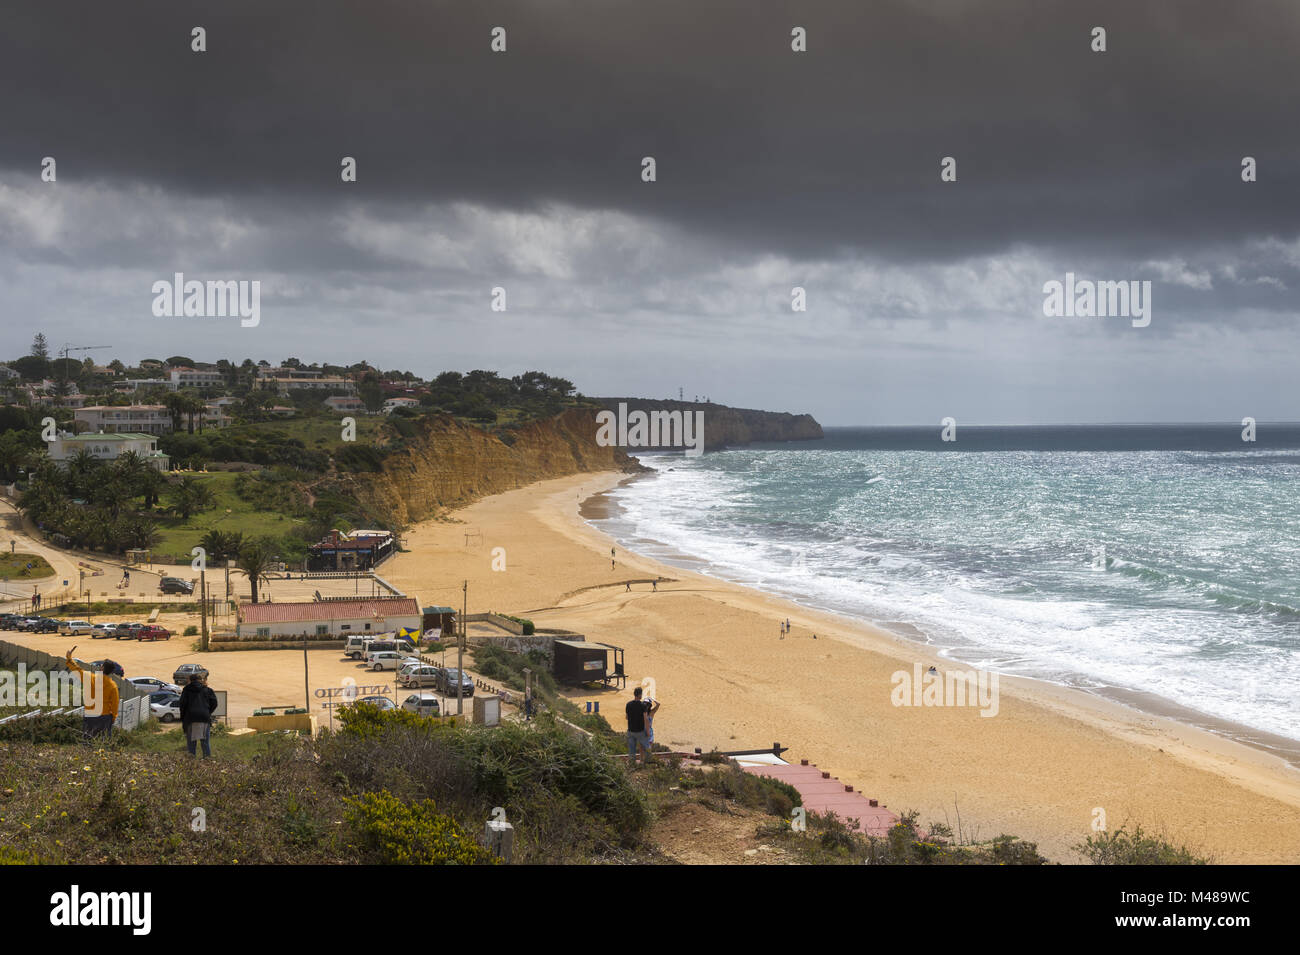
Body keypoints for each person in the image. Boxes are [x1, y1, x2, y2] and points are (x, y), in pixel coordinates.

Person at [65, 648, 118, 740]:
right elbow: (115, 705)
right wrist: (112, 718)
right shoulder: (113, 686)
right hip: (105, 717)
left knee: (88, 742)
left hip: (90, 715)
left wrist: (69, 659)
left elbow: (77, 670)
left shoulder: (90, 678)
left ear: (102, 668)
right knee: (103, 743)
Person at [179, 673, 218, 758]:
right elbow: (214, 703)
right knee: (205, 743)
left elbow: (182, 705)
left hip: (191, 718)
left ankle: (192, 763)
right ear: (201, 680)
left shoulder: (186, 690)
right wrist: (207, 712)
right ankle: (207, 761)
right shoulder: (208, 690)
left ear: (190, 680)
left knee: (191, 743)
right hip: (204, 718)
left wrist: (183, 718)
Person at [625, 686, 655, 765]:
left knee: (631, 750)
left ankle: (632, 764)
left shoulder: (628, 704)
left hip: (630, 730)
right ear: (640, 695)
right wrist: (648, 732)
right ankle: (648, 763)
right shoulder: (643, 706)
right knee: (647, 747)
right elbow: (646, 720)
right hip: (640, 731)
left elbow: (627, 717)